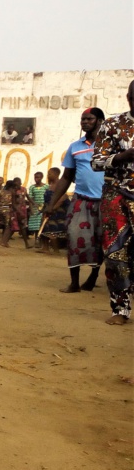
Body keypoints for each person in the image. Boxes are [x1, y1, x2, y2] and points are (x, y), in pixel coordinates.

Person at [45, 107, 105, 293]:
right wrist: (52, 203)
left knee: (102, 241)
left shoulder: (109, 146)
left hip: (106, 201)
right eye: (83, 119)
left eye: (89, 118)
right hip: (81, 200)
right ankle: (74, 283)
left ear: (100, 121)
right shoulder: (75, 147)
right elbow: (66, 177)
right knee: (73, 237)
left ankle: (93, 276)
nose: (85, 122)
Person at [91, 81, 134, 324]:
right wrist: (121, 156)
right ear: (128, 98)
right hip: (116, 197)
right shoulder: (113, 125)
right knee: (115, 253)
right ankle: (120, 310)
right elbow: (96, 162)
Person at [37, 167, 68, 254]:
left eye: (50, 174)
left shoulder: (60, 184)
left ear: (56, 174)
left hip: (56, 211)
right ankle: (45, 247)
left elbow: (63, 198)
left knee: (53, 230)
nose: (48, 175)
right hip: (47, 209)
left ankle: (56, 250)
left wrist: (52, 208)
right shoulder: (50, 185)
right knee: (44, 229)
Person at [27, 171, 47, 243]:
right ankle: (37, 240)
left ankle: (42, 241)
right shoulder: (32, 187)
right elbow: (30, 198)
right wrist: (31, 208)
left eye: (38, 177)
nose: (36, 179)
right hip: (36, 208)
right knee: (36, 226)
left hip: (44, 207)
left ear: (41, 177)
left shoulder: (46, 187)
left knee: (42, 224)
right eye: (35, 177)